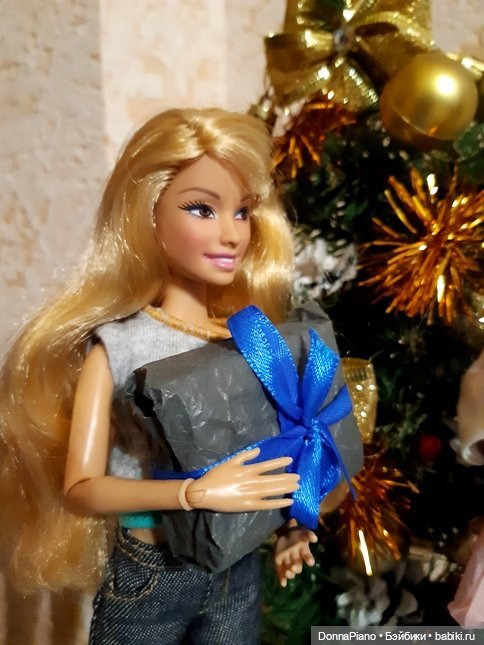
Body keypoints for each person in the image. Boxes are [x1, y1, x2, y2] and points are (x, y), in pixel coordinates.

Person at [0, 108, 323, 644]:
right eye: (202, 209)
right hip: (154, 572)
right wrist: (192, 493)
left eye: (242, 212)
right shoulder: (120, 346)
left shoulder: (248, 338)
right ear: (147, 216)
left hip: (237, 564)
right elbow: (80, 489)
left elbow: (272, 450)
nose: (231, 234)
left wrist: (292, 525)